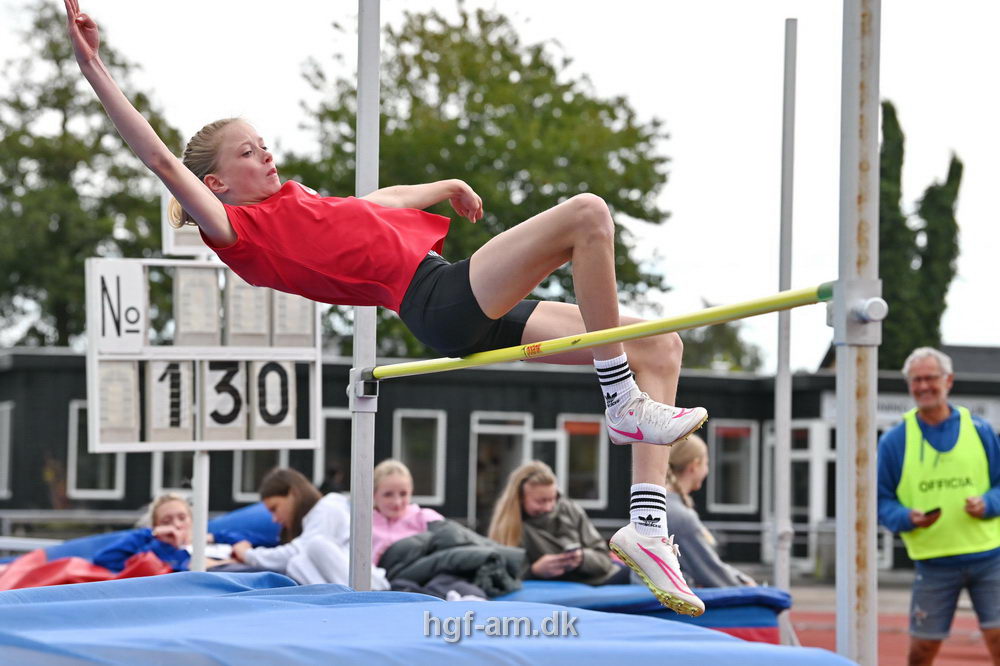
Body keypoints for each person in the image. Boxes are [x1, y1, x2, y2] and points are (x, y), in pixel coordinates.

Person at [64, 0, 706, 614]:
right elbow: (157, 158)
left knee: (660, 343)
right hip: (437, 301)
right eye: (246, 152)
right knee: (588, 216)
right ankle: (620, 400)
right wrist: (93, 66)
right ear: (216, 184)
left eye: (262, 142)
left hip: (451, 286)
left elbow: (381, 204)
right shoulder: (237, 228)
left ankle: (646, 525)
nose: (264, 153)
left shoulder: (300, 199)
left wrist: (446, 186)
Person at [877, 347, 1000, 665]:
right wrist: (906, 517)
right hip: (933, 565)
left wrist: (988, 503)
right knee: (921, 652)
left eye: (930, 378)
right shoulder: (895, 441)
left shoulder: (981, 430)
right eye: (915, 380)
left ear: (949, 381)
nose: (923, 386)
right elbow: (880, 502)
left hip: (990, 558)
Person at [230, 468, 389, 589]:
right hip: (351, 586)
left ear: (293, 494)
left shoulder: (328, 507)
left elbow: (298, 549)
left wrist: (248, 555)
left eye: (274, 508)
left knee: (312, 547)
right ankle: (337, 603)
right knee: (297, 564)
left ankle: (354, 598)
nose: (275, 518)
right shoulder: (314, 519)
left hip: (371, 584)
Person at [488, 461, 631, 586]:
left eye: (552, 499)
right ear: (519, 498)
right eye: (541, 501)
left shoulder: (570, 509)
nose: (549, 507)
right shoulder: (508, 527)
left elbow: (603, 559)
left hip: (604, 578)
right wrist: (534, 571)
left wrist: (582, 558)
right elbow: (497, 574)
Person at [663, 435, 755, 588]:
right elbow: (709, 571)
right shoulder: (680, 515)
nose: (707, 470)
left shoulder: (661, 504)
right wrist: (745, 584)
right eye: (706, 464)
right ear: (694, 465)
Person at [93, 493, 243, 572]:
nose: (176, 525)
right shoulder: (156, 551)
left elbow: (259, 545)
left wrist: (214, 538)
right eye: (166, 521)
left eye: (182, 518)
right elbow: (104, 559)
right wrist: (152, 535)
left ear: (192, 520)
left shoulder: (221, 539)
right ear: (156, 526)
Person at [371, 459, 444, 565]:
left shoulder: (425, 517)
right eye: (388, 494)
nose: (397, 502)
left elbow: (449, 539)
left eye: (403, 494)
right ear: (374, 494)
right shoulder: (362, 525)